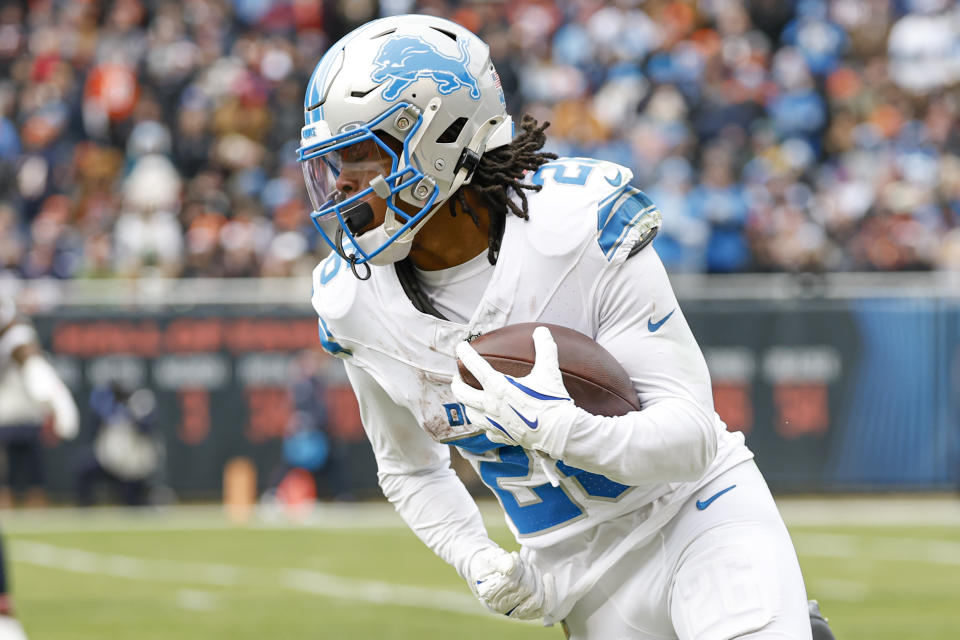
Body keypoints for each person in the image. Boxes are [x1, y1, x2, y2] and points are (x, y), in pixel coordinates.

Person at [300, 15, 835, 639]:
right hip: (578, 581)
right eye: (334, 159)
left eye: (361, 153)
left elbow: (690, 439)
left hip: (692, 515)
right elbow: (409, 468)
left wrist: (558, 427)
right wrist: (476, 558)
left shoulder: (576, 229)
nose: (340, 181)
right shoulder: (354, 302)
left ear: (438, 139)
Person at [0, 296, 78, 507]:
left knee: (30, 464)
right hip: (8, 409)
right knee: (9, 465)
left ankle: (34, 504)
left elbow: (36, 370)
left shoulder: (18, 335)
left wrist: (55, 404)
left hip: (21, 408)